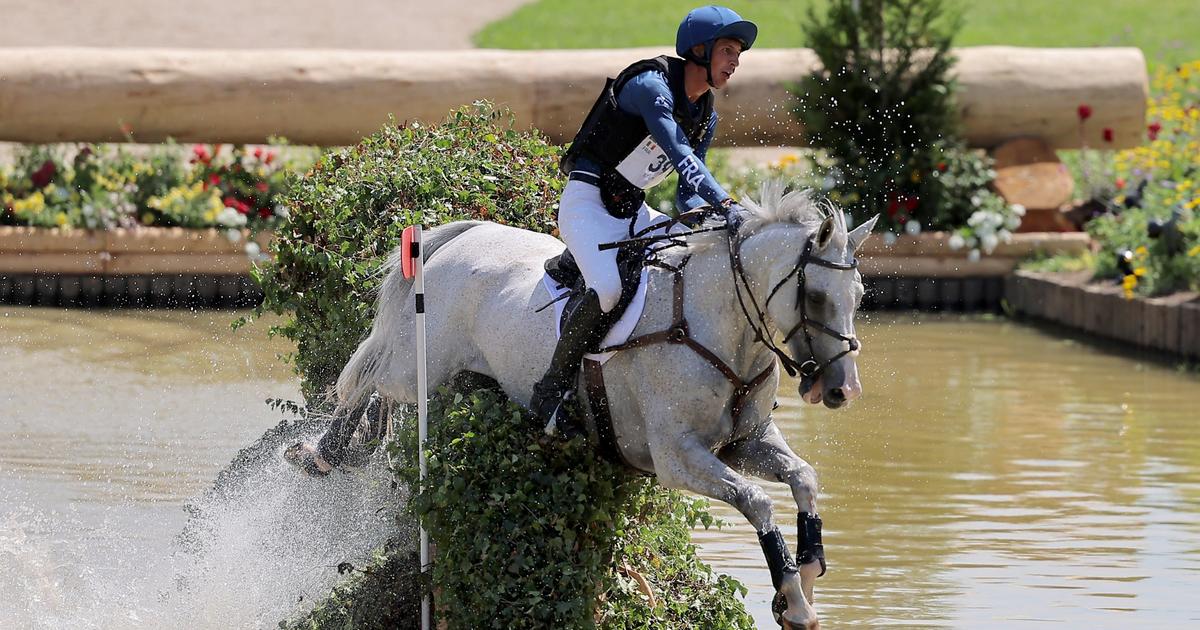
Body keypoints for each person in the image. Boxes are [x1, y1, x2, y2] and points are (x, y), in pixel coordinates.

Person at [529, 5, 757, 430]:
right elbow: (678, 153)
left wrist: (702, 220)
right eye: (728, 50)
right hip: (588, 204)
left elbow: (687, 194)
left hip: (633, 212)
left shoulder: (704, 114)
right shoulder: (650, 86)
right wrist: (726, 205)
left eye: (738, 55)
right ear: (700, 51)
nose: (735, 62)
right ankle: (550, 391)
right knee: (610, 292)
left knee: (685, 267)